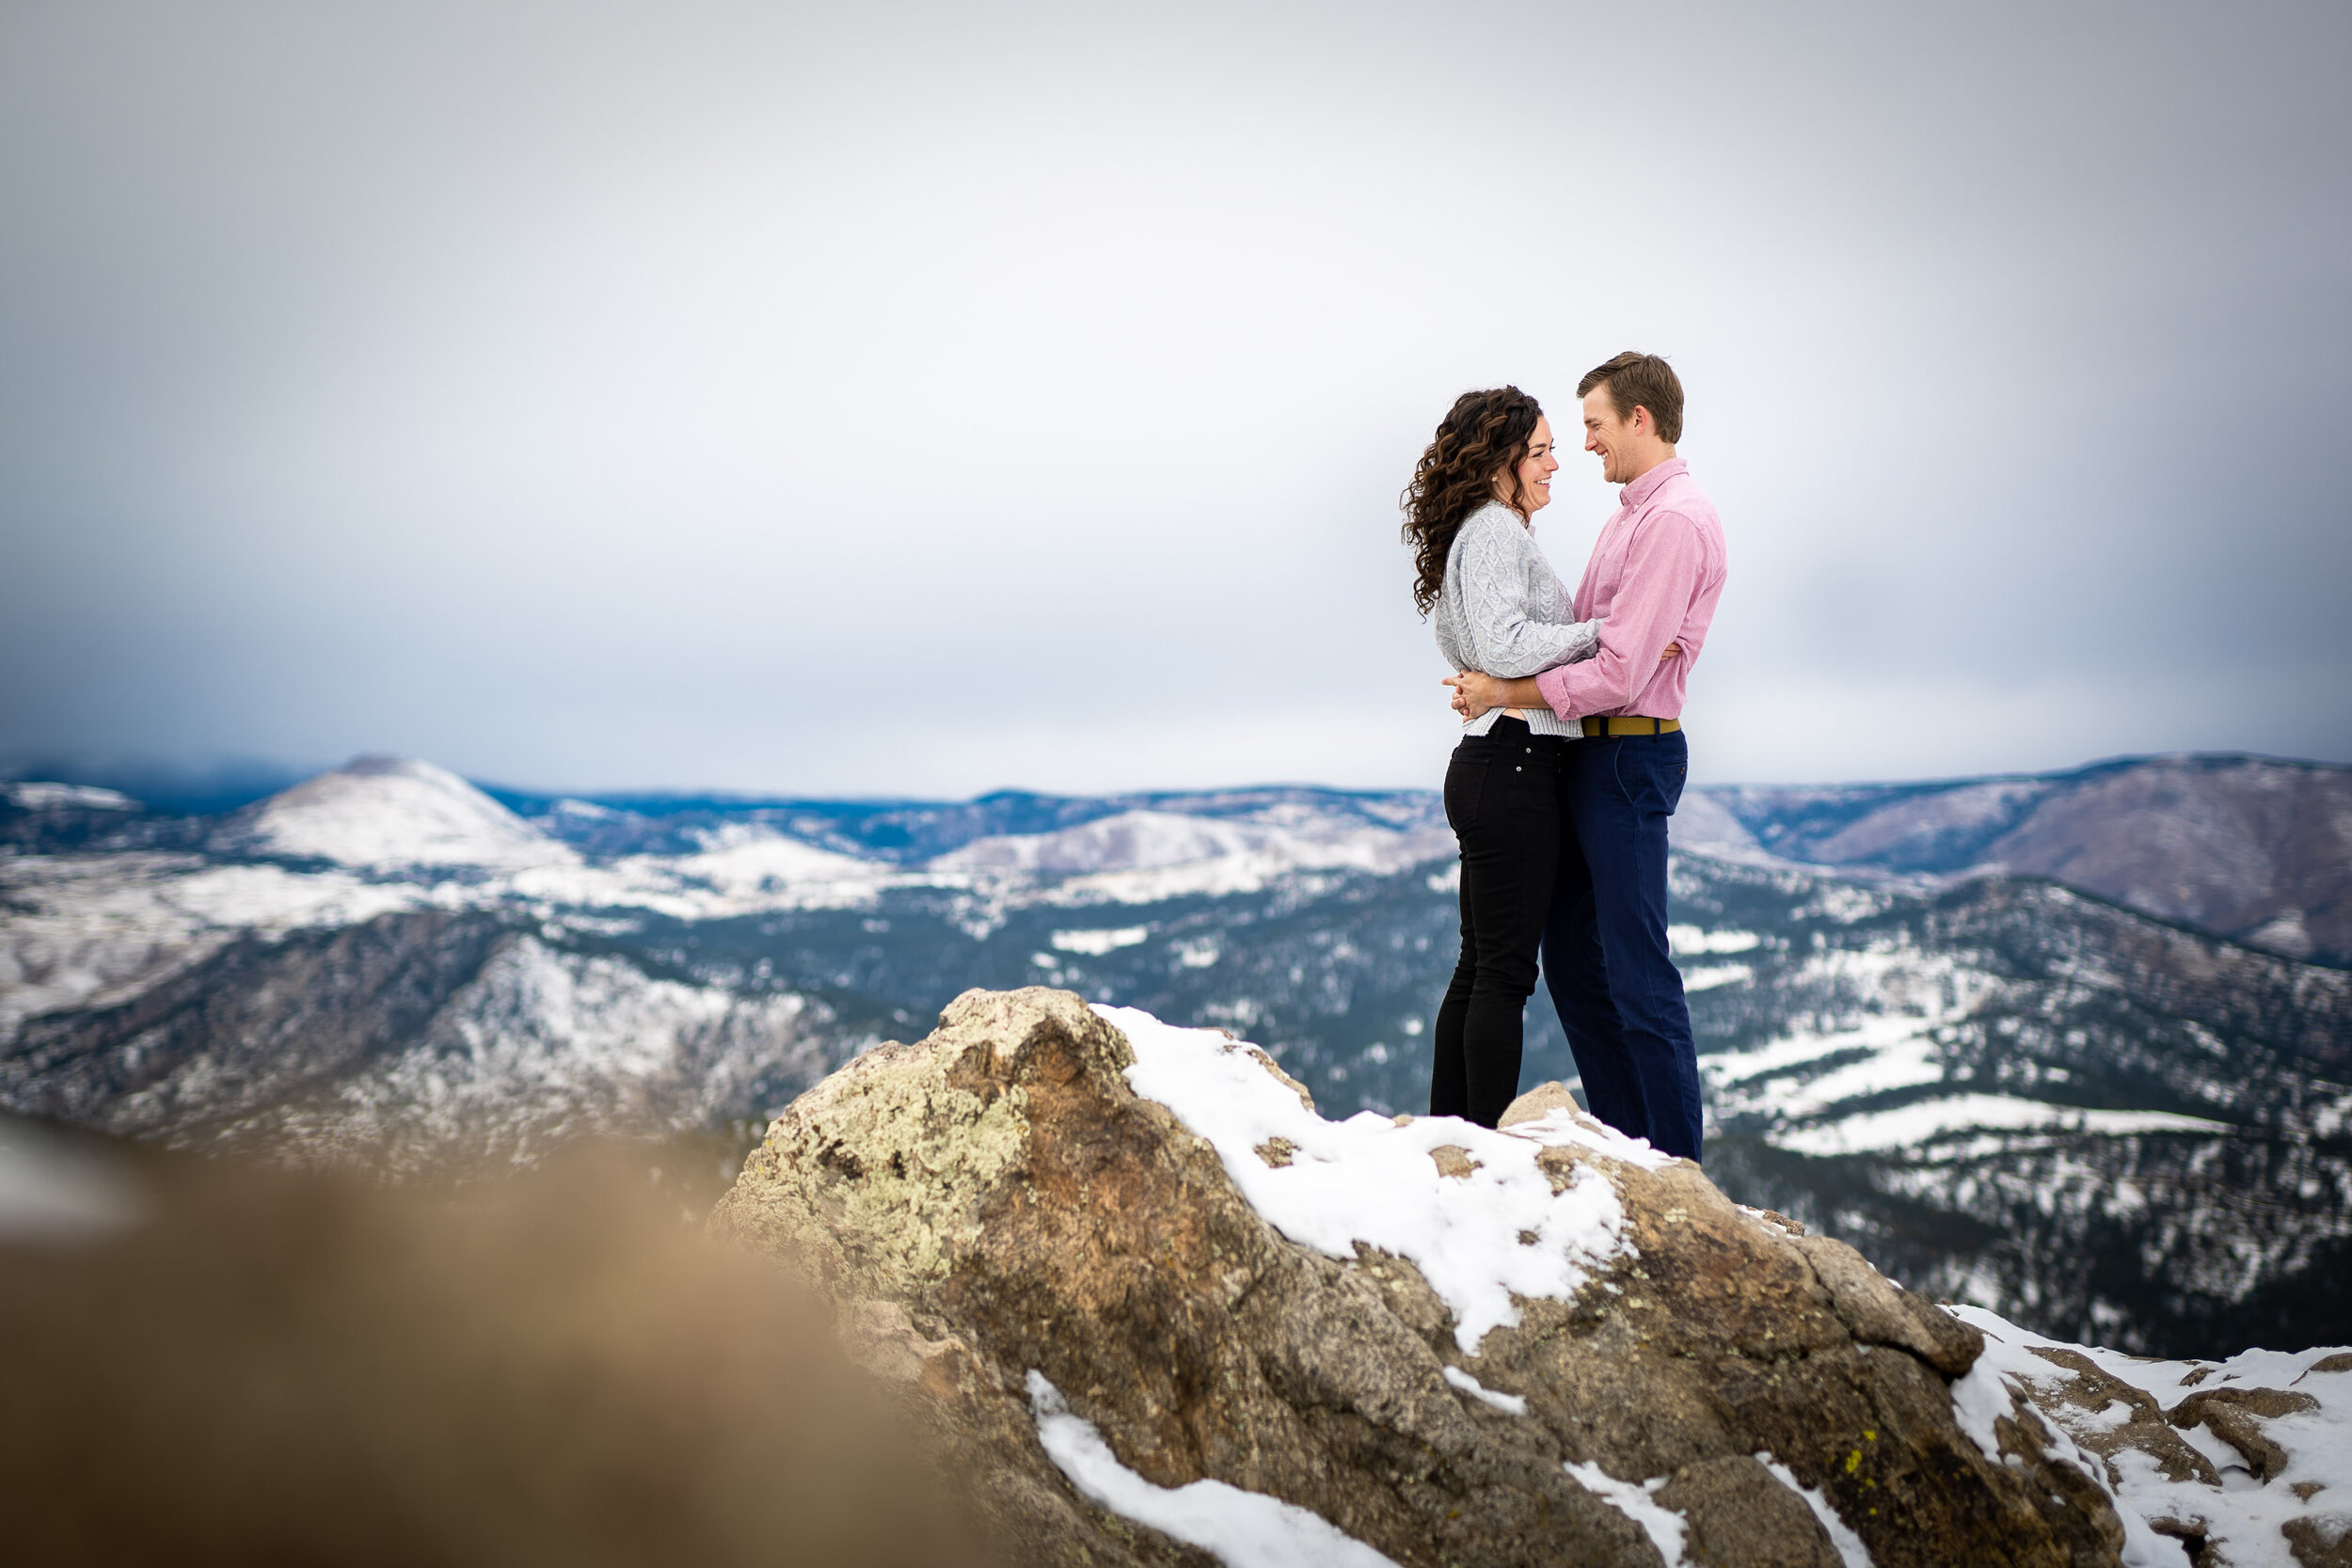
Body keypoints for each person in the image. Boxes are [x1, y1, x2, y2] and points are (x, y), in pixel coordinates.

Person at [1447, 353, 1727, 1162]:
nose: (1585, 447)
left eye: (1595, 426)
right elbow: (1592, 632)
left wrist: (1504, 691)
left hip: (1628, 760)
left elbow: (1618, 669)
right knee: (1572, 962)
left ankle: (1675, 1168)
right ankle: (1628, 1147)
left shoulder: (1672, 521)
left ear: (1640, 419)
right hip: (1587, 760)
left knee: (1638, 973)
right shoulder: (1628, 517)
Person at [1402, 388, 1677, 1129]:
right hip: (1515, 764)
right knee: (1503, 974)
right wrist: (1605, 632)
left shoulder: (1483, 531)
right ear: (1501, 464)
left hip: (1495, 761)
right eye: (1540, 452)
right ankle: (1481, 1145)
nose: (1557, 463)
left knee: (1479, 966)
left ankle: (1450, 1135)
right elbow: (1503, 646)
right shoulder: (1493, 532)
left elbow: (1488, 653)